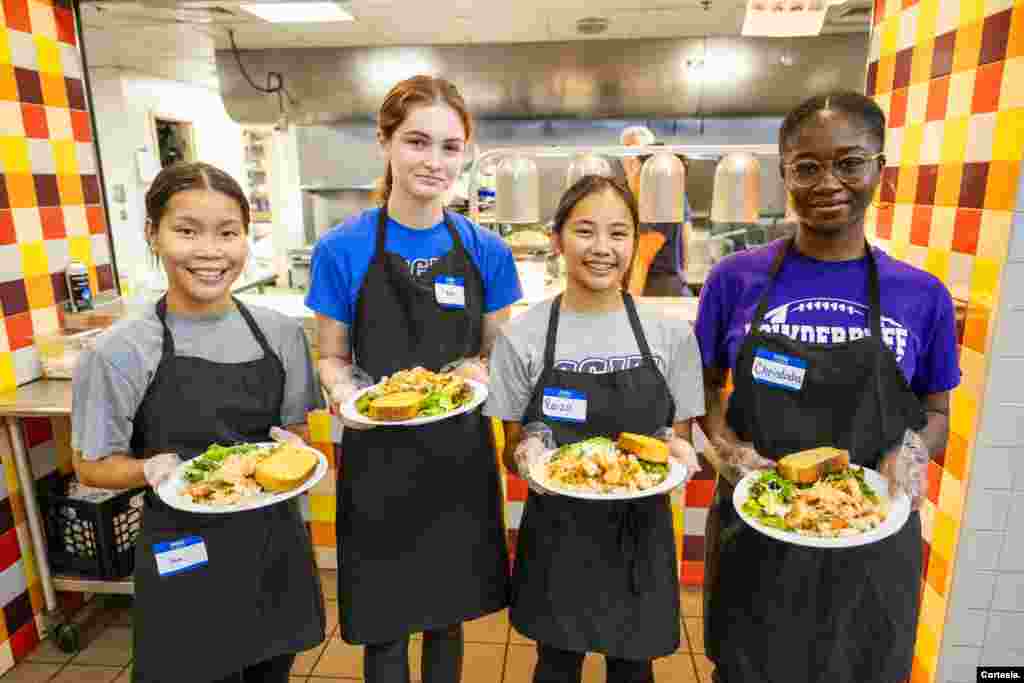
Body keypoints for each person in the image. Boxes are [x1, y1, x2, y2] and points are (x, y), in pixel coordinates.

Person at [695, 91, 961, 683]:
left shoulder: (922, 295)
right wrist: (727, 449)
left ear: (879, 170)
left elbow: (937, 409)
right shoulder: (734, 278)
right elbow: (706, 390)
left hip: (871, 533)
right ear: (785, 172)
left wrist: (915, 451)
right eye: (807, 167)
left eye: (850, 162)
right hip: (759, 528)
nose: (828, 182)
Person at [71, 162, 326, 683]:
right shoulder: (119, 350)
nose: (211, 251)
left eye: (228, 233)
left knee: (271, 671)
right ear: (153, 235)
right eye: (187, 231)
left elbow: (297, 434)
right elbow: (91, 466)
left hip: (273, 547)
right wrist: (148, 470)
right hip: (184, 550)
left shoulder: (280, 334)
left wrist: (291, 447)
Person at [307, 75, 522, 683]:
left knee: (447, 616)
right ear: (385, 143)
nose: (434, 161)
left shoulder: (487, 250)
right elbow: (332, 356)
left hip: (458, 458)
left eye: (450, 147)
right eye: (416, 142)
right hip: (379, 460)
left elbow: (495, 353)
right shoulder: (340, 249)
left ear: (465, 153)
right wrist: (347, 392)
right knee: (383, 623)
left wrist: (479, 369)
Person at [486, 175, 705, 683]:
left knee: (634, 670)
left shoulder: (671, 336)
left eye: (619, 233)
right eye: (585, 231)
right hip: (557, 540)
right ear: (556, 238)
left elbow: (679, 435)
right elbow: (510, 447)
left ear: (636, 242)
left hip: (640, 538)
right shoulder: (522, 337)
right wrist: (528, 448)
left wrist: (677, 447)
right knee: (556, 666)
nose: (602, 249)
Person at [619, 127, 693, 297]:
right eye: (626, 154)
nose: (629, 161)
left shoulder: (660, 200)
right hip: (655, 284)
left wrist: (628, 308)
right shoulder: (636, 194)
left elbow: (642, 259)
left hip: (660, 287)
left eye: (635, 159)